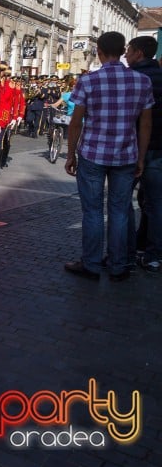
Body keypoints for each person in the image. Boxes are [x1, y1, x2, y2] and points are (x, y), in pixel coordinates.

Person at [64, 31, 153, 282]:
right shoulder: (141, 82)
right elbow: (145, 125)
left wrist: (70, 154)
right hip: (126, 154)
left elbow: (76, 122)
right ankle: (118, 265)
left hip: (93, 154)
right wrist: (141, 157)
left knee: (92, 212)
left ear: (99, 52)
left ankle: (91, 265)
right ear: (122, 50)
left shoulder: (88, 81)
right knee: (120, 211)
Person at [124, 36, 162, 273]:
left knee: (121, 202)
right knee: (156, 204)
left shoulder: (134, 79)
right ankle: (152, 255)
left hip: (133, 147)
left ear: (138, 53)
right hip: (159, 148)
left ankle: (123, 253)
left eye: (128, 51)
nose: (125, 56)